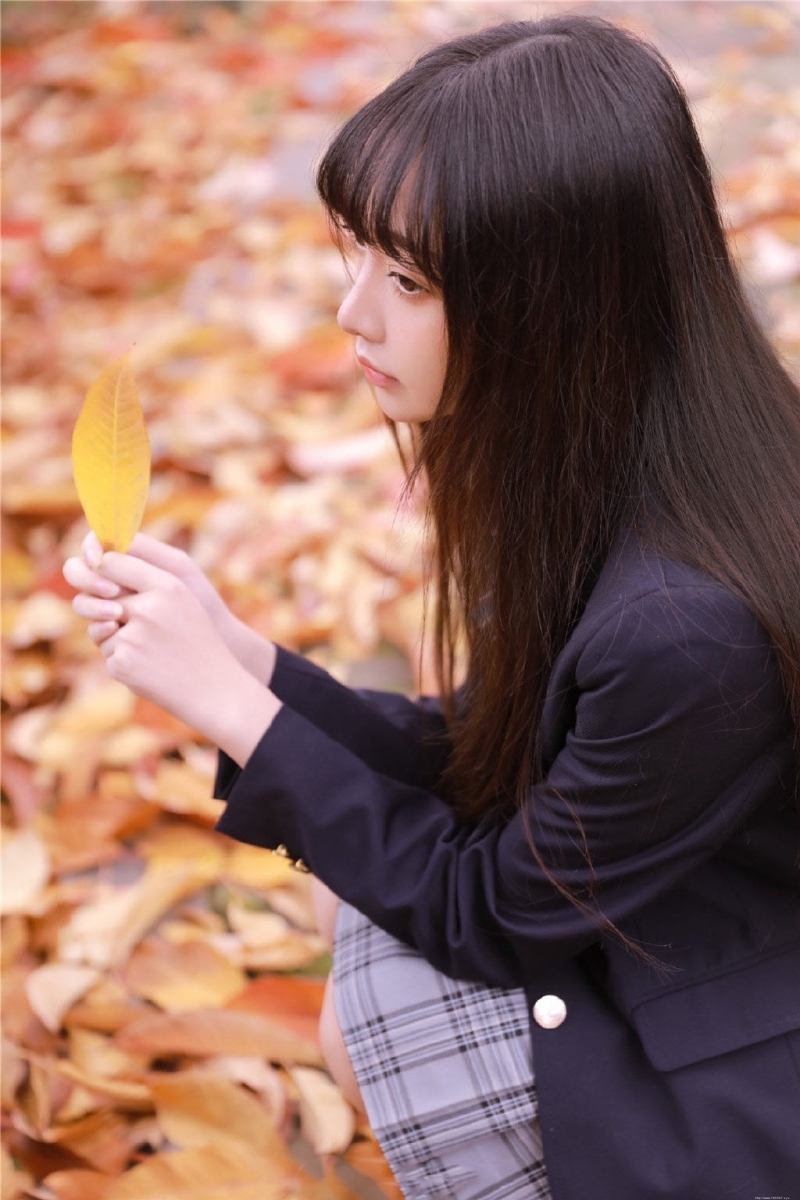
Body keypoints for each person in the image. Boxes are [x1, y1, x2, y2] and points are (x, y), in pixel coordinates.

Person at [63, 15, 800, 1200]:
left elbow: (493, 913)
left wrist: (240, 718)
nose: (352, 313)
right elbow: (496, 749)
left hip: (729, 1040)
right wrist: (248, 665)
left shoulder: (682, 621)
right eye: (351, 251)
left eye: (405, 279)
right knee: (358, 953)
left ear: (556, 308)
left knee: (366, 999)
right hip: (661, 904)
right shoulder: (623, 459)